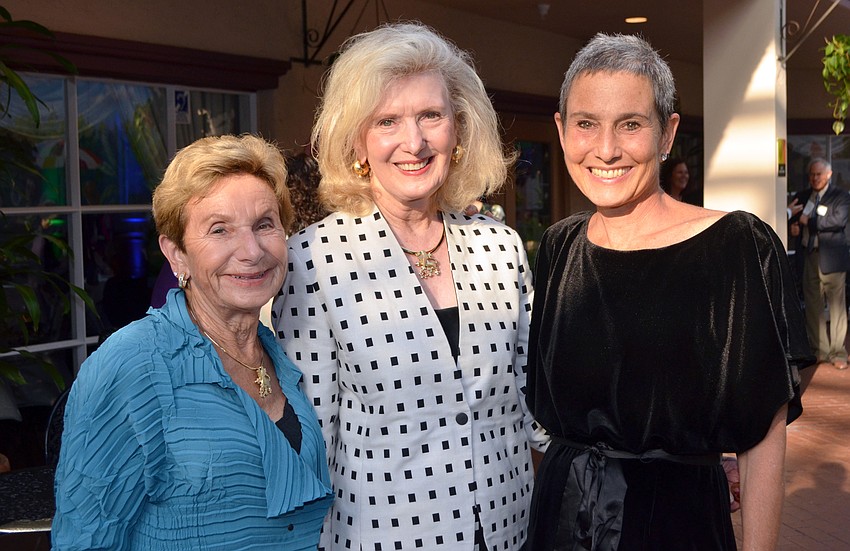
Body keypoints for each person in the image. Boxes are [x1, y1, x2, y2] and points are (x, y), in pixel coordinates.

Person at [525, 33, 814, 550]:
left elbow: (763, 435)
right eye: (586, 123)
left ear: (667, 133)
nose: (606, 149)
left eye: (630, 124)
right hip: (562, 521)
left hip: (676, 526)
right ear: (562, 132)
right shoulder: (559, 247)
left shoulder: (735, 248)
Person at [272, 22, 549, 551]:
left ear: (459, 129)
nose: (414, 142)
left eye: (431, 116)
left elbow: (536, 404)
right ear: (357, 140)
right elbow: (311, 437)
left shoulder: (501, 246)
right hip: (381, 535)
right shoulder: (313, 260)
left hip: (510, 528)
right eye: (388, 121)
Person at [52, 134, 333, 550]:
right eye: (220, 230)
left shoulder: (281, 353)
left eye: (264, 224)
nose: (251, 251)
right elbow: (86, 540)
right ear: (177, 254)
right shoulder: (133, 365)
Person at [789, 158, 850, 371]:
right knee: (813, 307)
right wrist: (794, 228)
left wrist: (811, 222)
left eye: (819, 174)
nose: (815, 178)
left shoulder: (840, 196)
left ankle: (838, 352)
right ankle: (819, 351)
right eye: (812, 175)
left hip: (832, 259)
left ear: (829, 175)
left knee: (837, 307)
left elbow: (838, 221)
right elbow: (793, 220)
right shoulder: (803, 196)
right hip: (809, 257)